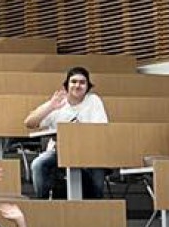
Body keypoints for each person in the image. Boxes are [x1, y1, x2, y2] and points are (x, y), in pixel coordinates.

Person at [24, 66, 108, 200]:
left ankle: (97, 205)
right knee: (38, 164)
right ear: (67, 85)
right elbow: (29, 123)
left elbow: (101, 129)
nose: (77, 85)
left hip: (89, 152)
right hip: (59, 152)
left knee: (98, 168)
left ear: (87, 86)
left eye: (82, 82)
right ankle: (43, 203)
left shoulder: (93, 101)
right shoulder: (58, 103)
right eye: (73, 82)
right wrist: (50, 107)